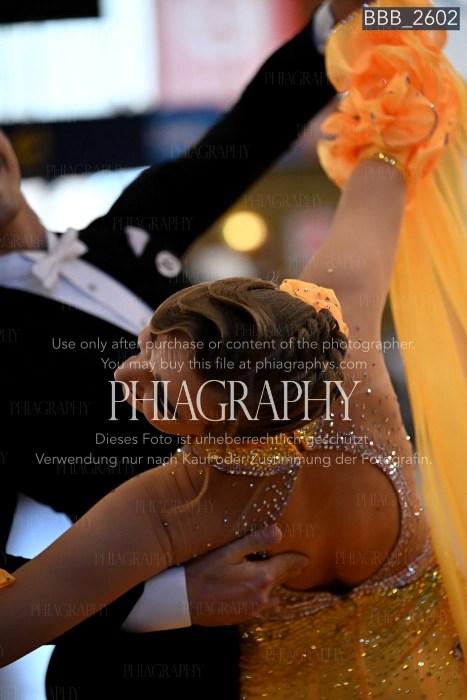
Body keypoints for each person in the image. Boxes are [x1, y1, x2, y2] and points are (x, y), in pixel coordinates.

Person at [2, 1, 466, 698]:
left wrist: (349, 24)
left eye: (149, 366)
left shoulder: (174, 500)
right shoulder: (343, 340)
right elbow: (388, 155)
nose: (124, 371)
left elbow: (251, 130)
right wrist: (168, 597)